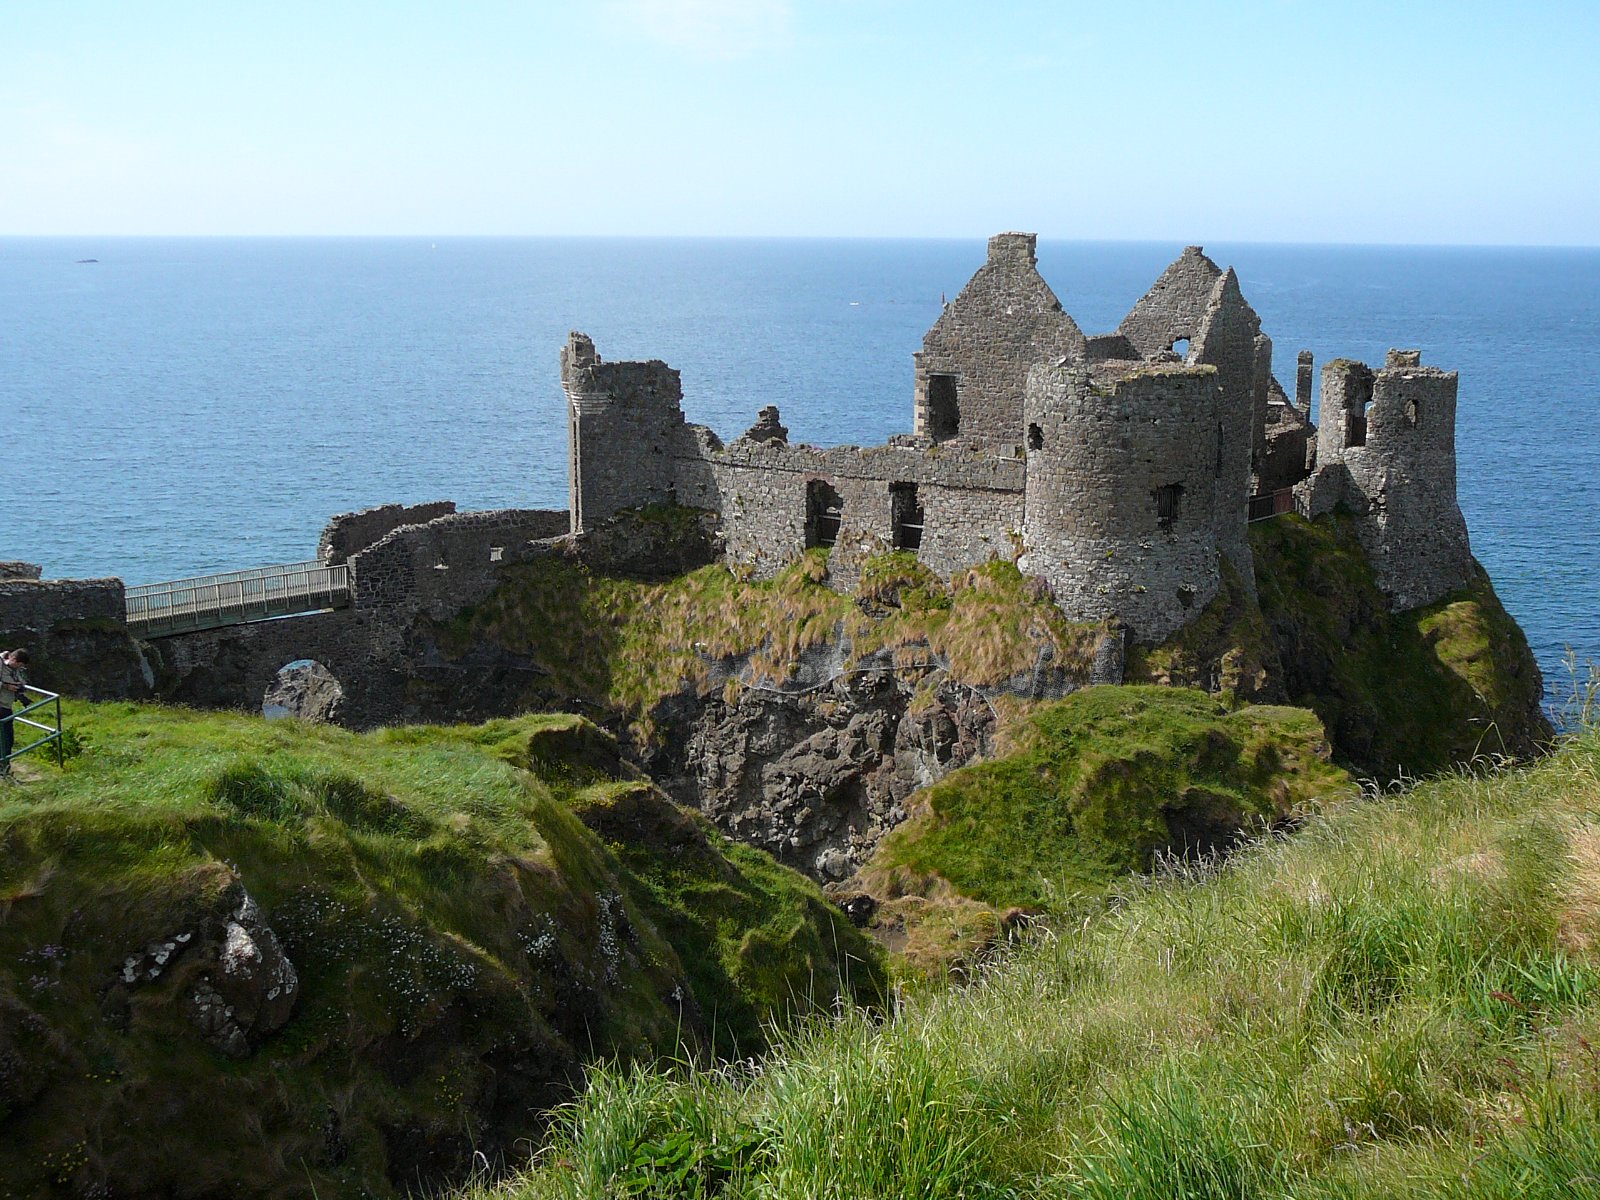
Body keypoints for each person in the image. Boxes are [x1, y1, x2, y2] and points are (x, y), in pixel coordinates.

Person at [0, 648, 30, 775]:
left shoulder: (14, 669)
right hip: (1, 705)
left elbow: (20, 680)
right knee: (6, 738)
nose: (19, 667)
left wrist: (19, 690)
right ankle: (3, 768)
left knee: (7, 739)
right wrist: (6, 686)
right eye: (19, 664)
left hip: (6, 706)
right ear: (13, 659)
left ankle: (4, 767)